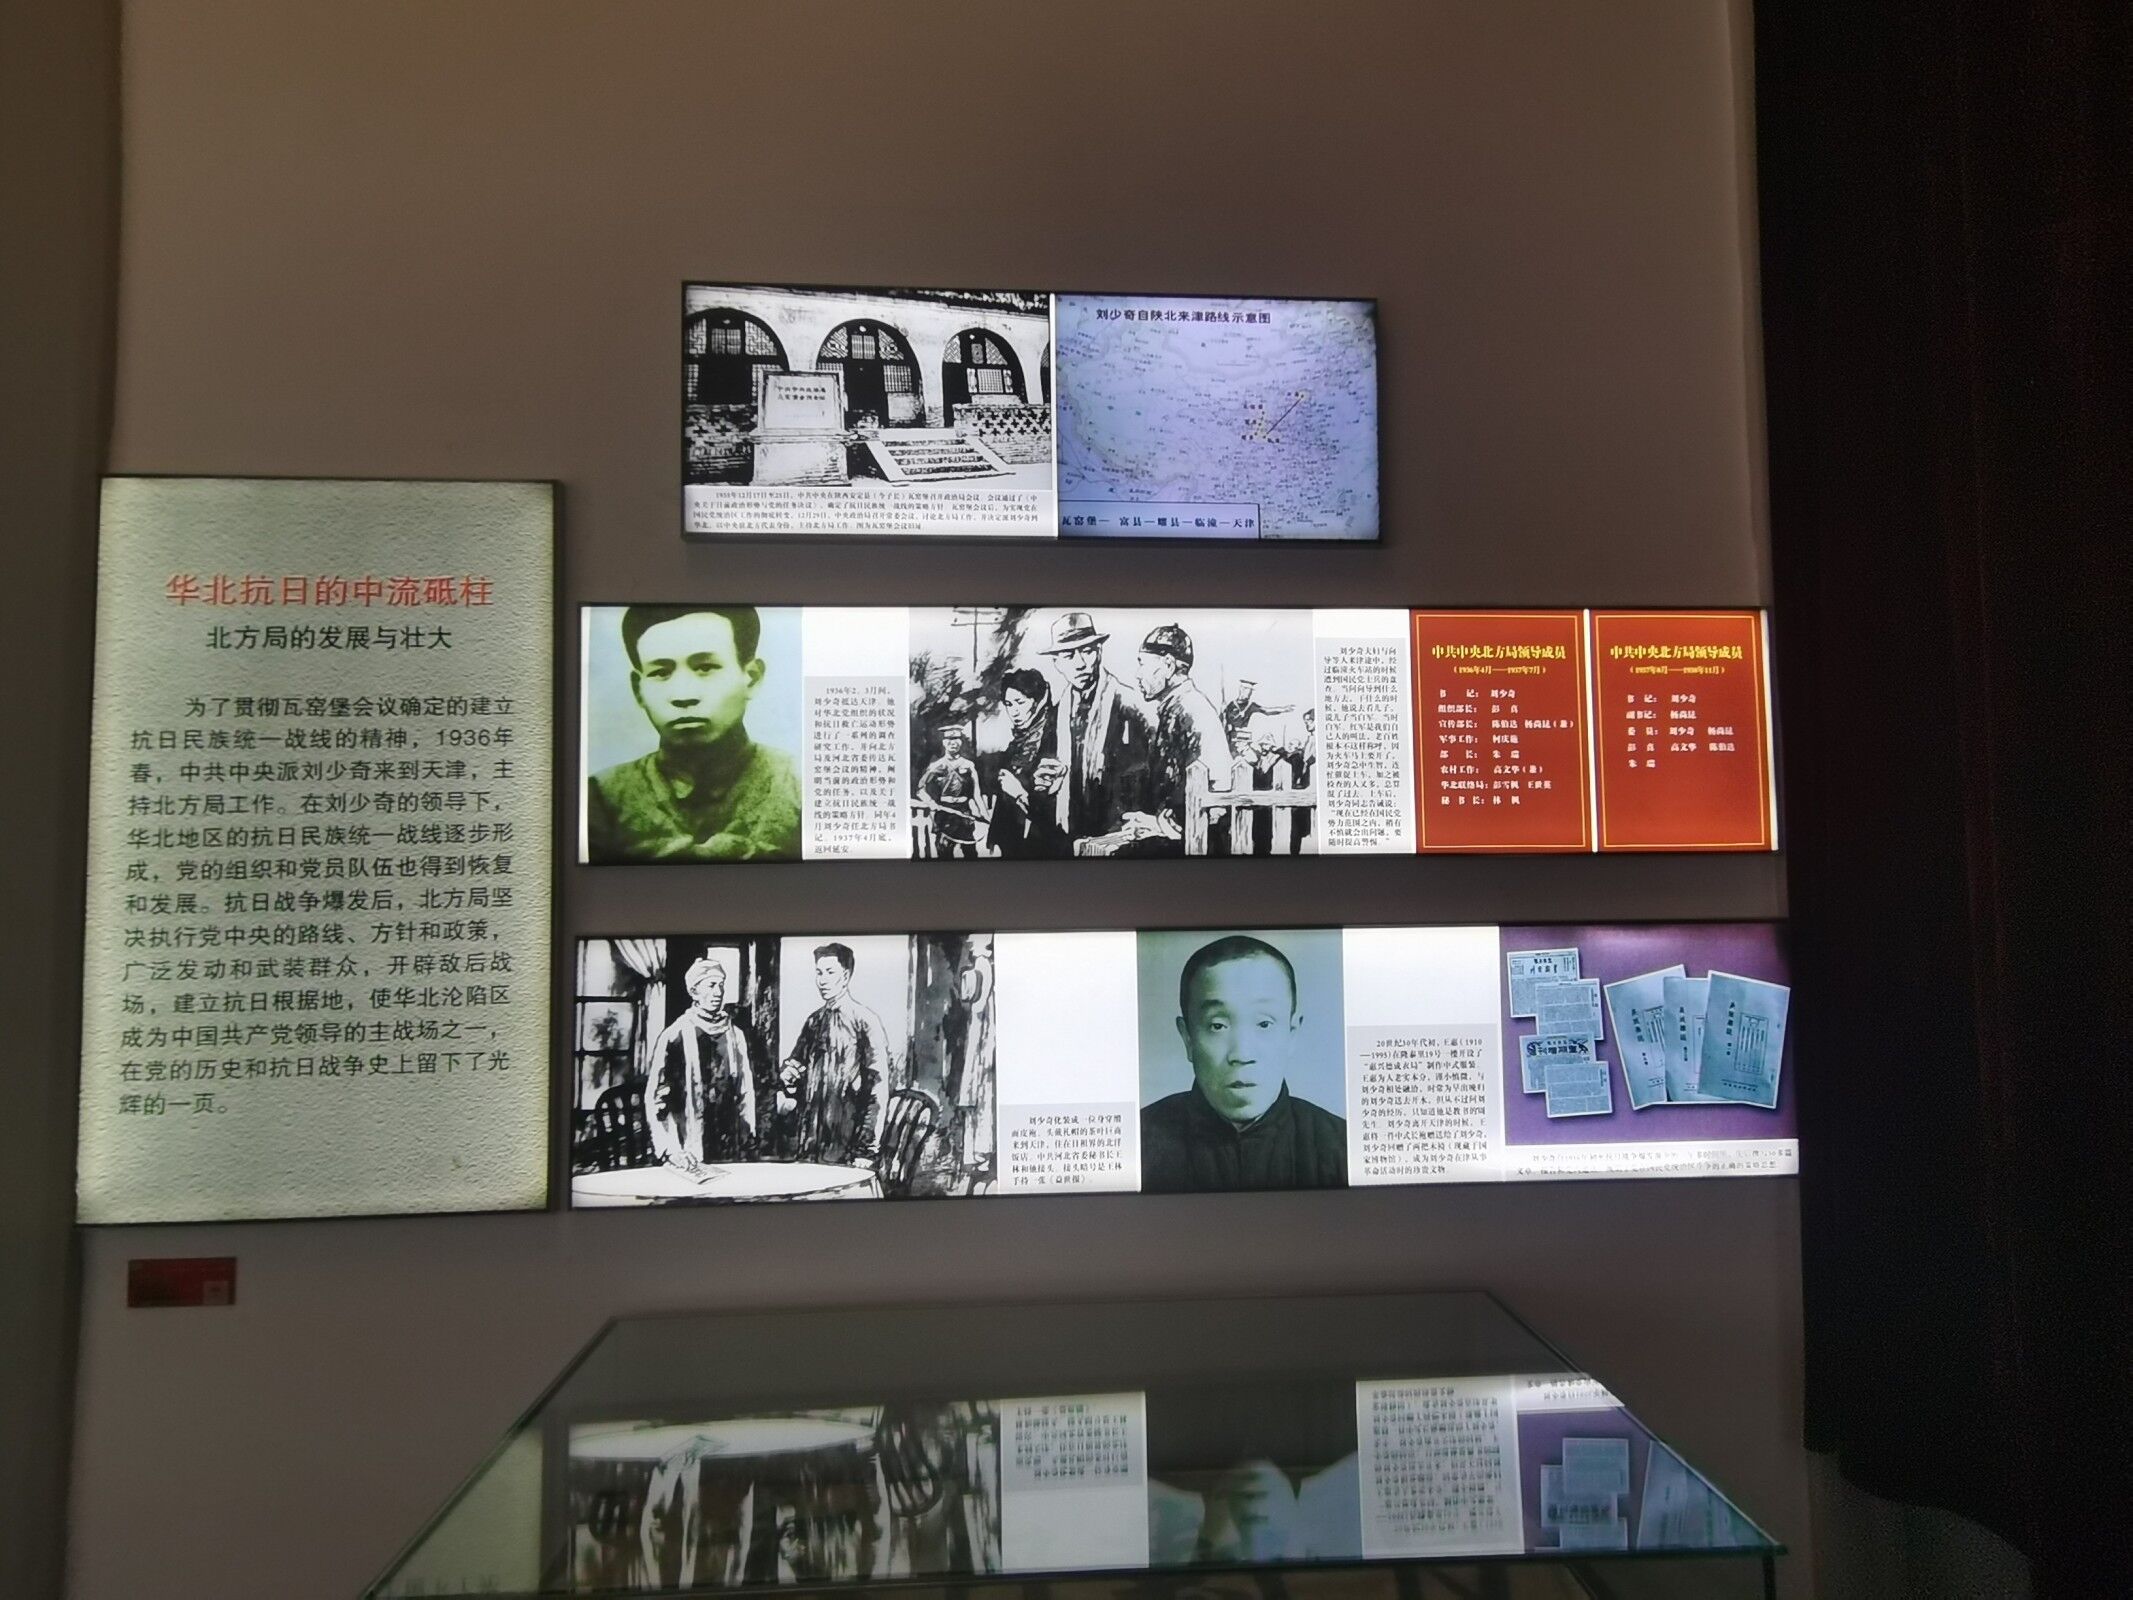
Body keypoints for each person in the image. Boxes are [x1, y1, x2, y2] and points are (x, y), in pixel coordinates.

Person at [586, 604, 801, 862]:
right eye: (661, 673)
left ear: (752, 678)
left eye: (706, 667)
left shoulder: (801, 787)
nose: (683, 694)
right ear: (638, 690)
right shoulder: (601, 797)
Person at [1140, 935, 1347, 1192]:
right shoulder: (1139, 1140)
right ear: (1188, 1038)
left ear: (1292, 1032)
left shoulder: (1341, 1146)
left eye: (1264, 1023)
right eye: (1218, 1026)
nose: (1242, 1054)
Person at [774, 943, 896, 1165]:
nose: (822, 980)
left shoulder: (865, 1021)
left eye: (830, 972)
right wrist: (789, 1075)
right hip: (810, 1140)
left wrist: (866, 1149)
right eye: (819, 973)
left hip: (847, 1140)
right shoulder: (813, 1022)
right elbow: (795, 1065)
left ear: (846, 976)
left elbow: (877, 1087)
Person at [1035, 612, 1150, 843]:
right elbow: (1044, 772)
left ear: (1099, 652)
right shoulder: (1056, 714)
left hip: (1119, 835)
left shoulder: (1128, 706)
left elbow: (1149, 775)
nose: (1080, 664)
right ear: (1056, 663)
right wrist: (1042, 781)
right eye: (1068, 656)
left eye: (1087, 651)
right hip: (1070, 834)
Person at [1118, 623, 1232, 855]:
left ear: (1168, 665)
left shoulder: (1190, 710)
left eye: (1142, 663)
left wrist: (1159, 824)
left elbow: (1215, 796)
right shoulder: (1177, 708)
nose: (1138, 674)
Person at [647, 955, 758, 1170]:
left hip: (729, 1145)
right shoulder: (675, 1035)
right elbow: (655, 1098)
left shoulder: (735, 1035)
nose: (718, 992)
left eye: (721, 985)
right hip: (688, 1147)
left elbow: (745, 1091)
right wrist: (670, 1149)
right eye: (711, 985)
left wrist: (747, 1135)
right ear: (694, 991)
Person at [985, 668, 1068, 858]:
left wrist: (1019, 793)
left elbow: (1051, 810)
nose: (1014, 711)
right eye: (1009, 704)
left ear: (1037, 702)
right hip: (1011, 844)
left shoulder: (1053, 740)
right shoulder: (1016, 744)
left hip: (1042, 847)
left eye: (1020, 702)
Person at [914, 725, 986, 859]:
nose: (953, 743)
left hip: (964, 813)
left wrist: (984, 815)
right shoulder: (936, 766)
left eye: (957, 738)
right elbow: (920, 789)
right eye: (949, 739)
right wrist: (931, 803)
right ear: (944, 742)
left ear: (961, 742)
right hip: (944, 813)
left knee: (970, 852)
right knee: (944, 852)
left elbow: (977, 794)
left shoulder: (969, 765)